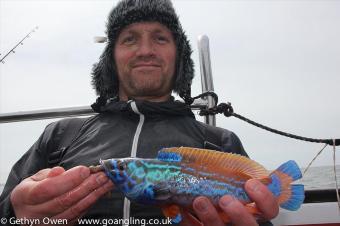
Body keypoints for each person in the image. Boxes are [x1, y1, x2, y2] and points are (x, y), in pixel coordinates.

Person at [0, 0, 278, 225]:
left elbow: (258, 213)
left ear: (178, 57)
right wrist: (16, 214)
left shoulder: (220, 142)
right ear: (111, 58)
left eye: (160, 38)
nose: (145, 50)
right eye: (130, 39)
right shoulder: (60, 136)